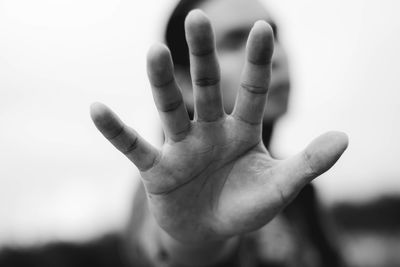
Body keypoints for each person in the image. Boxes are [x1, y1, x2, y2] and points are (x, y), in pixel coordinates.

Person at [0, 0, 348, 266]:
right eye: (234, 41)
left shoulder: (301, 192)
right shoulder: (168, 191)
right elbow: (164, 244)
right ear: (183, 81)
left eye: (273, 36)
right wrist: (197, 242)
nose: (276, 55)